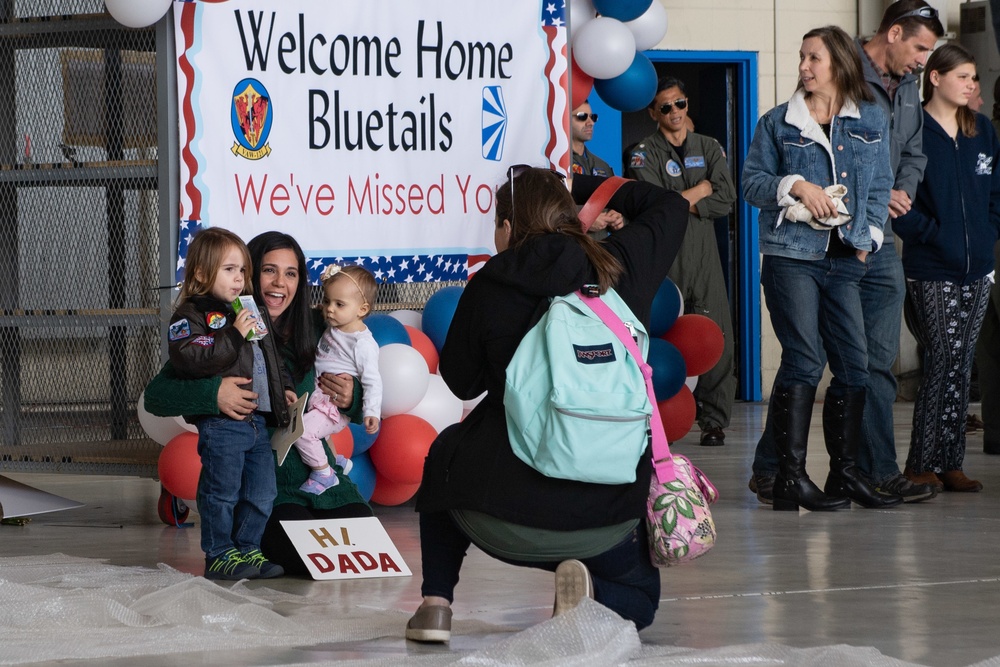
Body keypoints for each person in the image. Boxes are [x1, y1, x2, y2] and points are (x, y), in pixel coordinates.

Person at [404, 169, 688, 642]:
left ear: (510, 227)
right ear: (568, 214)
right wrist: (578, 185)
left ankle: (436, 604)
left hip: (499, 517)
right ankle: (592, 591)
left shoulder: (491, 283)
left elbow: (459, 381)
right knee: (641, 600)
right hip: (607, 520)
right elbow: (671, 205)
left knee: (447, 449)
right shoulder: (621, 267)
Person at [749, 0, 944, 504]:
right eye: (801, 58)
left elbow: (880, 185)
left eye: (813, 58)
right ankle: (786, 476)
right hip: (793, 255)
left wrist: (869, 241)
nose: (803, 67)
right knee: (806, 361)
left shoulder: (873, 116)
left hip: (850, 256)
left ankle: (850, 473)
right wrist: (795, 186)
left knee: (857, 366)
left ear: (835, 63)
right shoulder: (778, 123)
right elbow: (751, 183)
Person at [144, 231, 373, 577]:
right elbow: (157, 395)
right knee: (303, 560)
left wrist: (351, 395)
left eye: (291, 273)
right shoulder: (219, 323)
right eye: (269, 270)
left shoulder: (321, 322)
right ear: (250, 275)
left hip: (319, 474)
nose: (280, 282)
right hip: (269, 481)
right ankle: (233, 551)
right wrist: (214, 394)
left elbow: (365, 383)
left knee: (361, 543)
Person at [894, 44, 1000, 493]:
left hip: (978, 267)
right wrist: (936, 235)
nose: (972, 85)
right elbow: (897, 202)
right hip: (930, 265)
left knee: (960, 364)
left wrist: (985, 233)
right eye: (964, 76)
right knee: (941, 360)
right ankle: (919, 463)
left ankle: (950, 463)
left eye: (974, 77)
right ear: (935, 77)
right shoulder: (911, 129)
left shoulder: (983, 131)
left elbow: (994, 194)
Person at [166, 227, 296, 580]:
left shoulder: (251, 308)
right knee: (221, 491)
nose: (239, 278)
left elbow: (270, 356)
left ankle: (248, 549)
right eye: (229, 270)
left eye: (242, 271)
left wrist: (282, 387)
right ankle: (220, 553)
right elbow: (190, 358)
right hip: (223, 424)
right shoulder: (191, 315)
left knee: (261, 491)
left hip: (257, 421)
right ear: (201, 273)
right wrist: (233, 333)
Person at [626, 76, 737, 447]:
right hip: (664, 257)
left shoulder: (709, 147)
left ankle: (714, 420)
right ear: (653, 112)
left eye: (680, 104)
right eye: (666, 107)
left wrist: (686, 199)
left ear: (687, 104)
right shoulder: (643, 153)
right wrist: (701, 188)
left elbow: (726, 199)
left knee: (715, 334)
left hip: (704, 255)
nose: (674, 112)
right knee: (655, 336)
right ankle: (655, 418)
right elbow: (656, 206)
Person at [294, 264, 381, 495]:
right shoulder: (336, 326)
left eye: (339, 304)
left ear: (362, 309)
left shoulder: (362, 344)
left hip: (331, 407)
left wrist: (371, 411)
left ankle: (325, 474)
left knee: (302, 433)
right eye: (327, 301)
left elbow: (373, 381)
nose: (329, 309)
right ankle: (335, 461)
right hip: (318, 399)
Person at [571, 100, 624, 238]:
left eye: (592, 117)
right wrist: (583, 218)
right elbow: (546, 210)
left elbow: (616, 202)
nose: (590, 122)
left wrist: (617, 217)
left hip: (600, 252)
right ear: (565, 119)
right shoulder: (556, 164)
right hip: (570, 250)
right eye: (582, 117)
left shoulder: (602, 165)